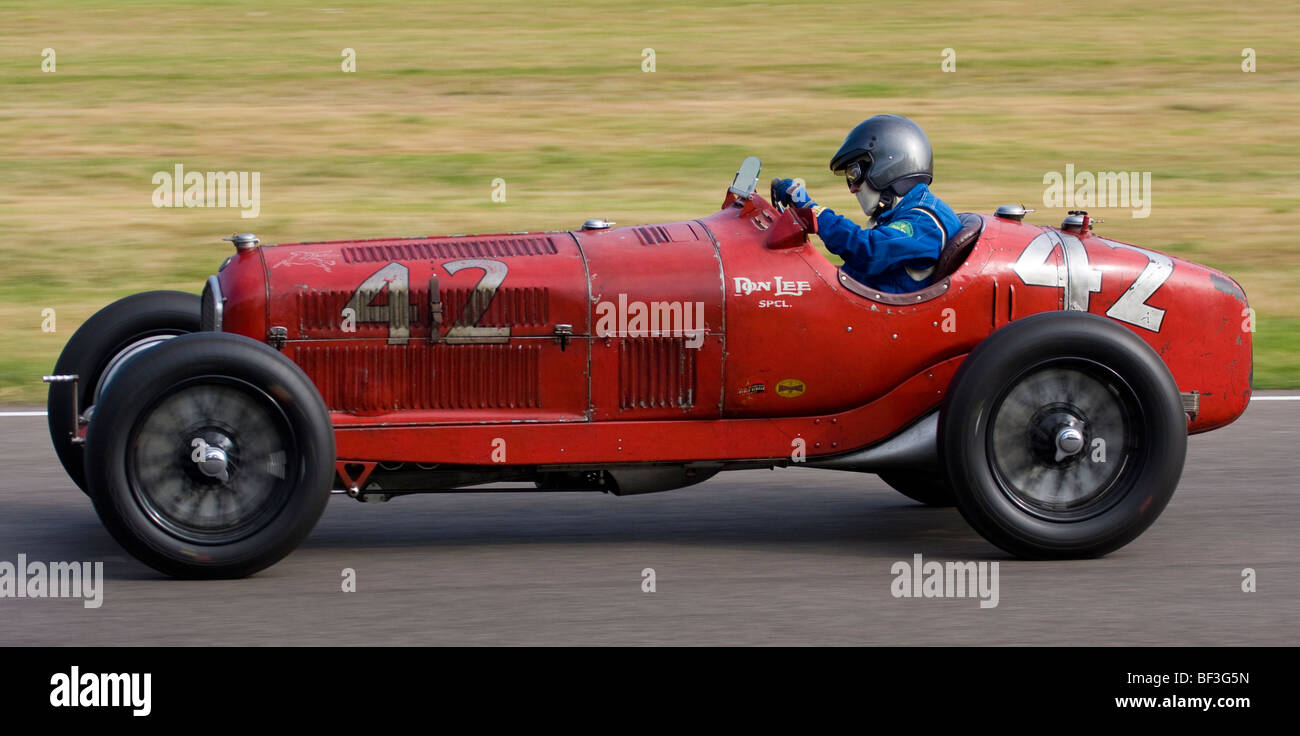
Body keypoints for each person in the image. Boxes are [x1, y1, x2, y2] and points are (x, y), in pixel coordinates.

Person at [773, 114, 962, 294]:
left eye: (854, 174)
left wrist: (812, 211)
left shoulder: (925, 222)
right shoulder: (908, 213)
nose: (852, 188)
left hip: (887, 323)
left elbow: (868, 251)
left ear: (888, 166)